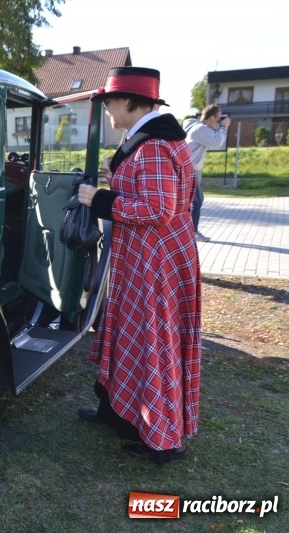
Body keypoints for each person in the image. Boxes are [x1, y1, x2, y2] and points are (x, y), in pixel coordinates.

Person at [76, 67, 201, 466]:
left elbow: (157, 208)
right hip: (147, 259)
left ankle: (162, 439)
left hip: (155, 264)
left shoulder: (154, 146)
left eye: (111, 102)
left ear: (131, 102)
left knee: (154, 342)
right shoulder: (151, 139)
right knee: (132, 332)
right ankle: (118, 414)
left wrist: (100, 200)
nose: (109, 110)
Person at [183, 104, 231, 242]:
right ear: (210, 118)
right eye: (217, 119)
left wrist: (219, 127)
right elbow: (217, 142)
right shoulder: (200, 129)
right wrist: (223, 127)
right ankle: (192, 232)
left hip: (190, 170)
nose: (219, 121)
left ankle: (189, 231)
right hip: (189, 171)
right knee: (196, 201)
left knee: (195, 201)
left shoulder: (196, 127)